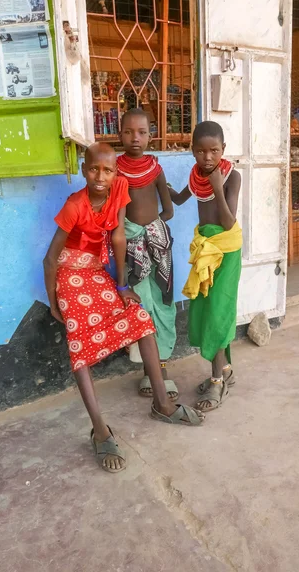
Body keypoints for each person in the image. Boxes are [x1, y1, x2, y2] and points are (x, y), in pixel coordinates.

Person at [44, 142, 204, 474]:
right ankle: (100, 431)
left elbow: (118, 238)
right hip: (70, 275)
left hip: (97, 273)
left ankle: (161, 403)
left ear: (116, 172)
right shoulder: (75, 205)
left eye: (107, 170)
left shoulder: (118, 189)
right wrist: (53, 302)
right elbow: (50, 257)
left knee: (140, 317)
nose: (100, 176)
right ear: (83, 170)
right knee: (79, 345)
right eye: (93, 169)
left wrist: (121, 286)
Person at [168, 121, 242, 413]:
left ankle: (216, 380)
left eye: (213, 150)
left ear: (223, 149)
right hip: (204, 247)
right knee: (203, 307)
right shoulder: (197, 175)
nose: (207, 157)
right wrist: (162, 187)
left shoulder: (231, 176)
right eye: (200, 151)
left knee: (218, 312)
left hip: (225, 250)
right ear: (192, 151)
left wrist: (218, 189)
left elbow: (227, 221)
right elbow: (181, 198)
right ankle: (224, 371)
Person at [116, 109, 178, 401]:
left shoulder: (155, 168)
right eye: (128, 132)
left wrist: (154, 231)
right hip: (131, 249)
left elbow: (168, 209)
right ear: (119, 135)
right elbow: (114, 216)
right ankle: (146, 372)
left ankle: (162, 368)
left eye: (141, 132)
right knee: (140, 307)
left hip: (157, 247)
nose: (135, 138)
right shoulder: (115, 170)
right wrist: (133, 233)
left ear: (150, 136)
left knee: (164, 302)